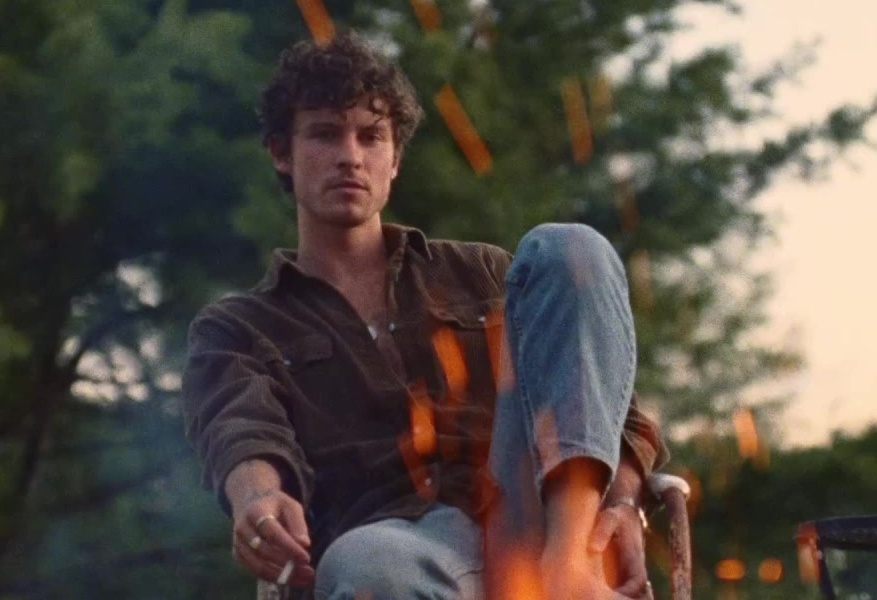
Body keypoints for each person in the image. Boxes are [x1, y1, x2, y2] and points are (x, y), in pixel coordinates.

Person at [182, 31, 668, 600]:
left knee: (569, 247)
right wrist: (258, 499)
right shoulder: (241, 326)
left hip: (530, 519)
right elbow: (239, 428)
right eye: (325, 134)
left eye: (371, 136)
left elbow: (612, 411)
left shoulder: (484, 273)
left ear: (394, 160)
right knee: (371, 566)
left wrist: (623, 505)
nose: (350, 155)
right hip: (394, 548)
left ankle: (568, 570)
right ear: (281, 153)